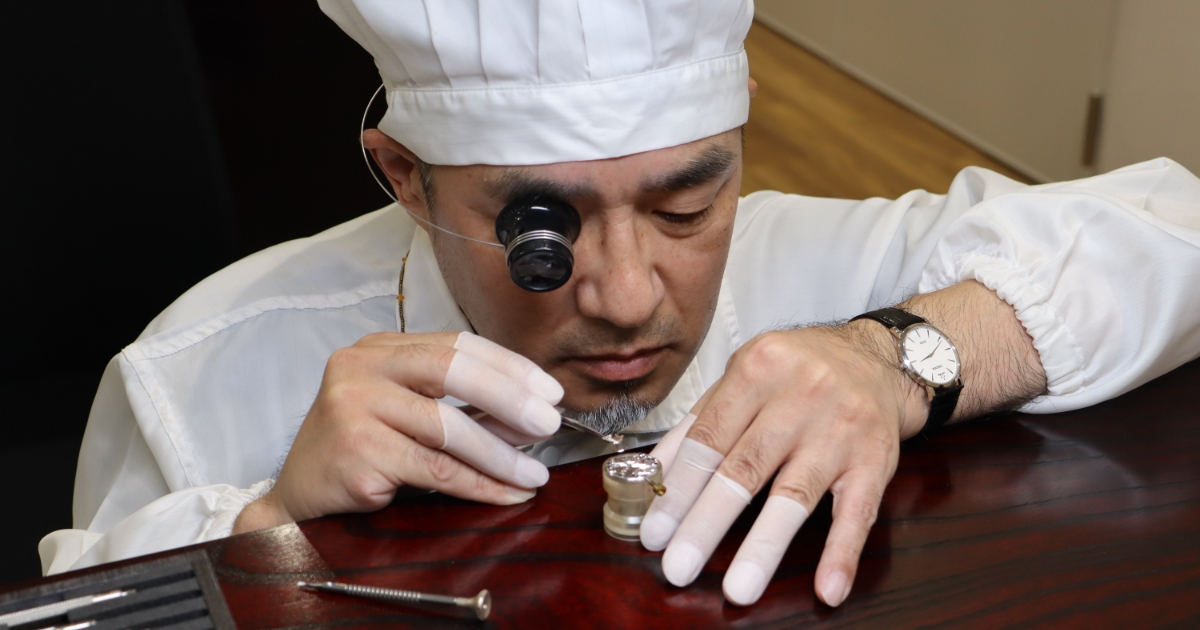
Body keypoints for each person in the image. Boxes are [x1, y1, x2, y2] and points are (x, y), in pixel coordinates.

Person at [40, 0, 1200, 610]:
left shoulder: (818, 260)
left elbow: (1171, 231)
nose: (630, 297)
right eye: (541, 232)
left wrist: (895, 358)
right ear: (405, 177)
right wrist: (265, 524)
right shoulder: (198, 370)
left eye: (686, 207)